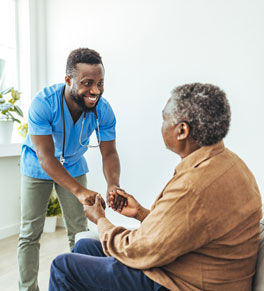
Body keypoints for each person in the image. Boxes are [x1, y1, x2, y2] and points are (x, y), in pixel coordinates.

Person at [49, 83, 262, 291]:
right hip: (189, 268)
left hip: (180, 283)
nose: (161, 126)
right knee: (85, 247)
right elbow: (188, 226)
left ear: (182, 130)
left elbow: (138, 250)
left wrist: (101, 220)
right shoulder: (231, 164)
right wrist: (141, 213)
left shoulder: (194, 185)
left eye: (164, 119)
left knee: (63, 267)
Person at [18, 48, 126, 291]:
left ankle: (80, 285)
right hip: (37, 165)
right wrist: (78, 191)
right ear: (68, 80)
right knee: (30, 232)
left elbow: (109, 152)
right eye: (87, 83)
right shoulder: (43, 103)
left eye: (100, 83)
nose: (95, 91)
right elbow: (45, 157)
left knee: (79, 230)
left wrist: (113, 184)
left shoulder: (103, 109)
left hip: (74, 164)